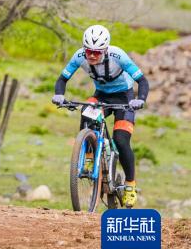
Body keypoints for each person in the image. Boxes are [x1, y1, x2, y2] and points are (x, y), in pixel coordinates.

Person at [52, 24, 149, 207]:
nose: (92, 55)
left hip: (125, 98)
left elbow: (142, 81)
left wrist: (140, 99)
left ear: (105, 50)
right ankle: (88, 157)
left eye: (97, 52)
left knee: (121, 140)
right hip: (101, 96)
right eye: (89, 51)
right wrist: (59, 95)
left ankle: (130, 185)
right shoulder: (79, 56)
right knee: (87, 111)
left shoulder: (118, 56)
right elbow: (62, 79)